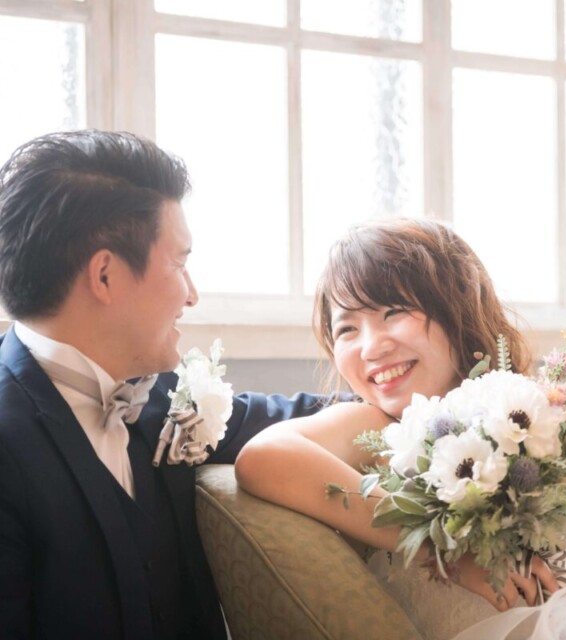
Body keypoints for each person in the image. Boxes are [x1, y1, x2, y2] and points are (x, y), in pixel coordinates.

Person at [235, 218, 566, 640]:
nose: (371, 347)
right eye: (347, 329)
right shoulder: (379, 429)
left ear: (457, 309)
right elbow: (263, 457)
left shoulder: (541, 418)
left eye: (393, 312)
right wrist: (443, 550)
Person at [0, 129, 332, 640]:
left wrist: (434, 406)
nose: (191, 294)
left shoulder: (166, 395)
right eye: (179, 263)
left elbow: (292, 416)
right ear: (105, 276)